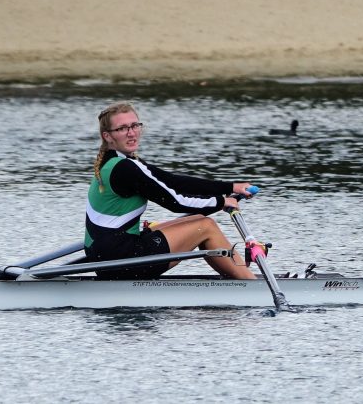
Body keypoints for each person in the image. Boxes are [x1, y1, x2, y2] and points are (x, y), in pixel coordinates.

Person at [84, 101, 256, 280]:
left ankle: (243, 278)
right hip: (120, 260)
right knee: (206, 226)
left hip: (105, 255)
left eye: (135, 125)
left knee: (197, 219)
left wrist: (230, 187)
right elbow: (175, 202)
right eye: (122, 128)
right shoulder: (125, 168)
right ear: (108, 136)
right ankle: (252, 286)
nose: (131, 133)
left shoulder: (114, 162)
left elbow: (173, 182)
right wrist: (221, 202)